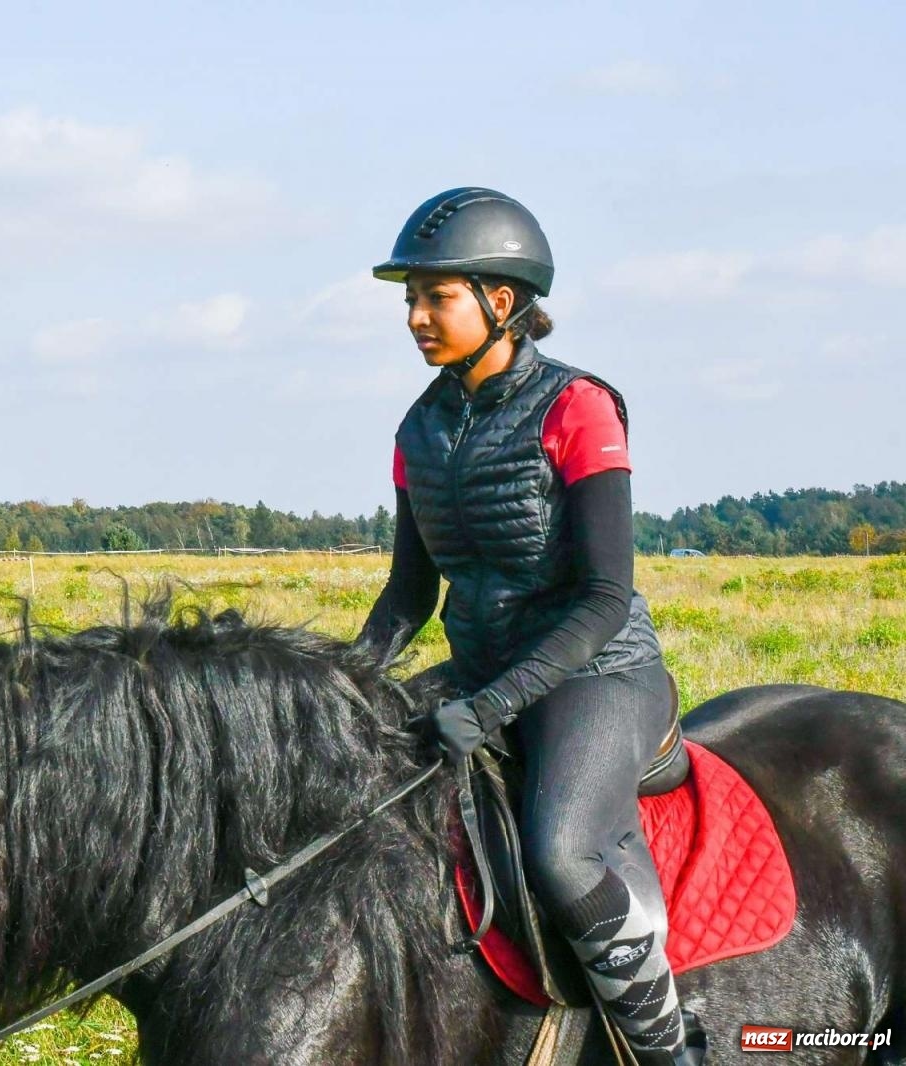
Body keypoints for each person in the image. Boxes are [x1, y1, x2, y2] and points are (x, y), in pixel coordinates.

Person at [358, 188, 708, 1065]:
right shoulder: (419, 428)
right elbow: (409, 594)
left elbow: (603, 597)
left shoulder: (578, 407)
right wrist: (346, 682)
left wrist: (492, 704)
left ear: (500, 302)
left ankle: (669, 1046)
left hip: (599, 674)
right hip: (480, 672)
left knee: (559, 853)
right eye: (410, 299)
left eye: (434, 297)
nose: (414, 317)